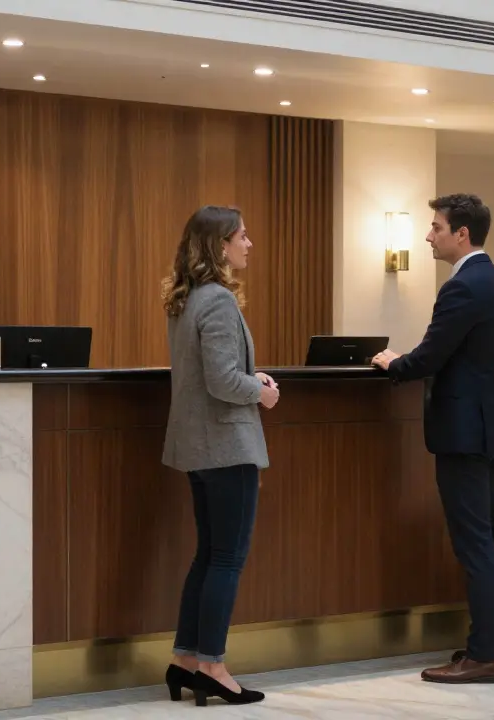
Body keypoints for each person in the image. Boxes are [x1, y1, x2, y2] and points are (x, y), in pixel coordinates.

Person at [372, 194, 494, 685]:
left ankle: (483, 657)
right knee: (493, 539)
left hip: (463, 433)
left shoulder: (463, 286)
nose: (428, 236)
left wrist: (394, 363)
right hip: (492, 428)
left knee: (475, 543)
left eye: (436, 227)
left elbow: (431, 356)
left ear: (462, 233)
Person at [160, 205, 279, 706]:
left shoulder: (187, 298)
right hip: (227, 446)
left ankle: (186, 660)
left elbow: (210, 373)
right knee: (227, 558)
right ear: (220, 245)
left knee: (209, 554)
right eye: (242, 236)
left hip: (199, 446)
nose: (249, 244)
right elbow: (223, 380)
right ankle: (212, 665)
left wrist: (251, 379)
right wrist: (262, 391)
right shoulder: (219, 300)